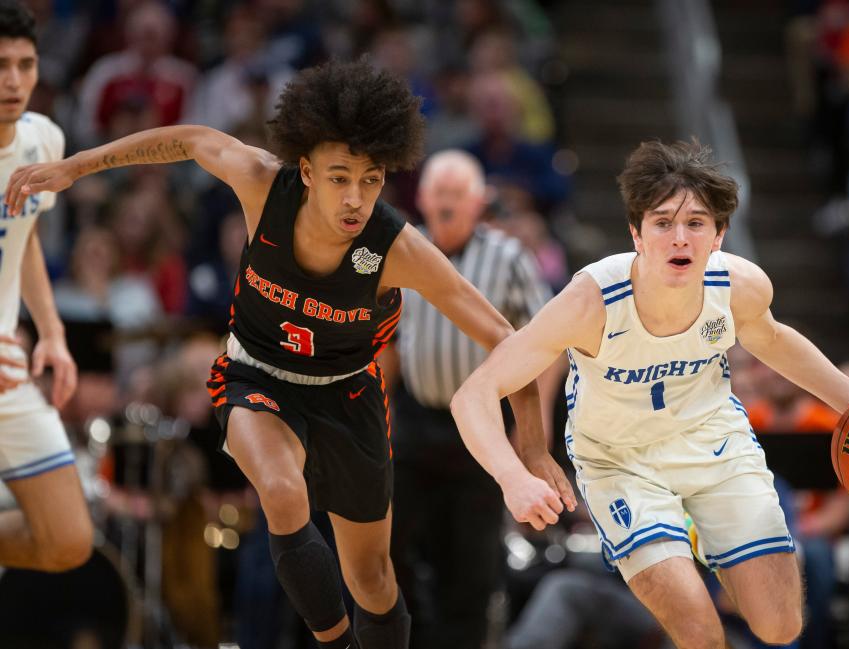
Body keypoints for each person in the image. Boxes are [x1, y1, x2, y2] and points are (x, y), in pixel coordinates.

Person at [6, 58, 574, 649]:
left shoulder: (395, 246)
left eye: (371, 179)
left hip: (349, 393)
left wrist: (531, 444)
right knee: (280, 490)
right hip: (258, 375)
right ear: (305, 171)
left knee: (374, 581)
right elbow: (189, 139)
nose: (355, 198)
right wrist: (76, 166)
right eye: (338, 177)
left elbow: (508, 341)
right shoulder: (260, 184)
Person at [450, 140, 849, 648]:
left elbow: (775, 339)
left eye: (696, 223)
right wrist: (514, 474)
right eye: (663, 222)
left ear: (719, 235)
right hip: (622, 463)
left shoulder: (739, 287)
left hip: (713, 443)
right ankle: (679, 540)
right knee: (698, 630)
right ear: (637, 234)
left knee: (780, 626)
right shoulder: (591, 300)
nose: (680, 238)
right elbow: (474, 394)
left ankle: (707, 534)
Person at [383, 149, 558, 649]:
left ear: (479, 202)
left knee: (472, 565)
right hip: (413, 422)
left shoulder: (509, 258)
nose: (446, 202)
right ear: (422, 196)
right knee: (389, 552)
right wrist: (376, 416)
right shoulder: (402, 248)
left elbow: (546, 349)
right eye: (438, 191)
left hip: (481, 431)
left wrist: (529, 438)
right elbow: (390, 344)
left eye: (457, 194)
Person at [0, 0, 92, 572]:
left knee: (67, 541)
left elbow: (23, 233)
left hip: (8, 370)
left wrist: (53, 333)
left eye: (25, 65)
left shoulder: (43, 140)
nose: (13, 81)